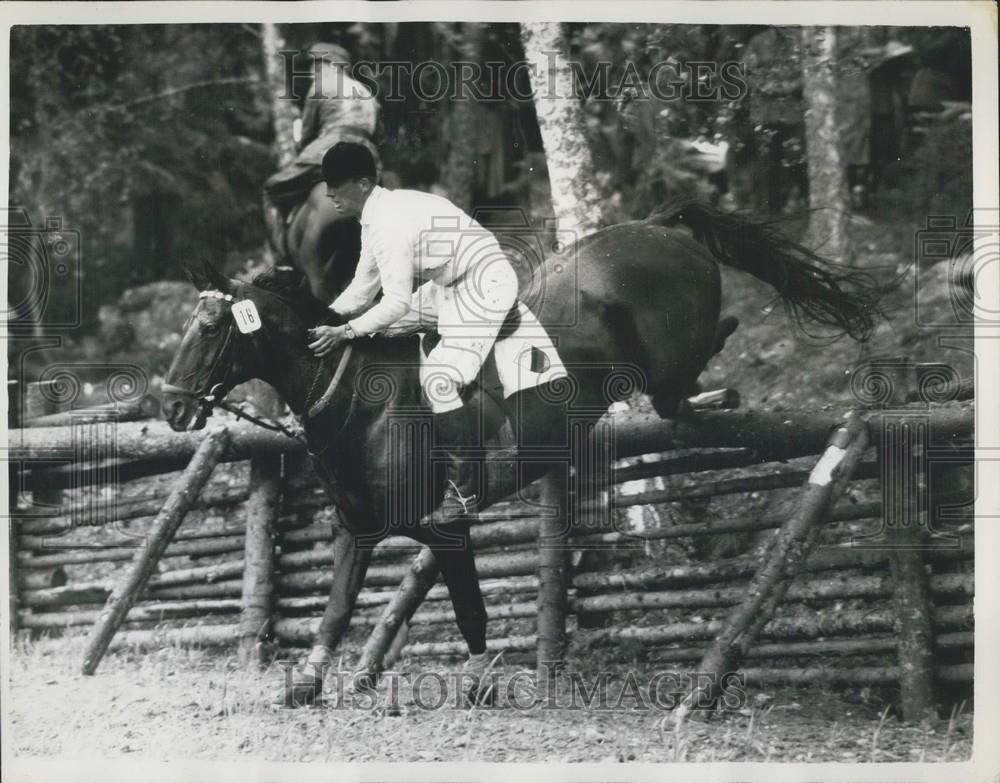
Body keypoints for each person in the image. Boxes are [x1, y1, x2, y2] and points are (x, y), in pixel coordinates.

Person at [307, 141, 520, 526]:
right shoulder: (376, 217)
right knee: (379, 336)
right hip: (448, 286)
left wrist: (346, 331)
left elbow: (396, 304)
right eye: (328, 185)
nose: (329, 194)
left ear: (363, 184)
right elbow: (362, 287)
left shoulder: (388, 225)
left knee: (438, 378)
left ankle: (463, 494)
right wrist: (323, 318)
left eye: (337, 185)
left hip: (482, 284)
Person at [263, 42, 379, 262]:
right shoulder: (367, 93)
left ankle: (281, 263)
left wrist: (300, 143)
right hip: (367, 158)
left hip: (328, 150)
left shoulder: (321, 86)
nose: (311, 72)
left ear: (334, 66)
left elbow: (306, 135)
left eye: (317, 66)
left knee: (271, 191)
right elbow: (376, 133)